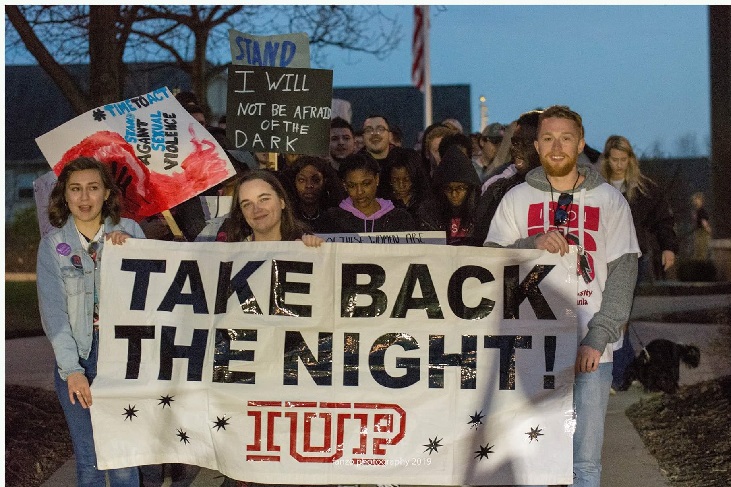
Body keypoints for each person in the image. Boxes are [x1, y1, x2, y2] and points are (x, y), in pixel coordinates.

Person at [485, 105, 640, 487]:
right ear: (537, 145)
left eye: (566, 138)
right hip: (527, 351)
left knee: (583, 462)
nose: (557, 147)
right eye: (549, 138)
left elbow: (623, 273)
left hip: (590, 347)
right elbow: (488, 263)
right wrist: (530, 243)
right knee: (530, 457)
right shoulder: (516, 199)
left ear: (581, 144)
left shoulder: (608, 201)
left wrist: (599, 335)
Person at [36, 157, 144, 486]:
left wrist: (132, 252)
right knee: (89, 458)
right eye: (76, 189)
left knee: (125, 458)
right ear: (64, 196)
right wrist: (72, 370)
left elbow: (151, 299)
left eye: (93, 188)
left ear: (107, 194)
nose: (84, 199)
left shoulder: (132, 233)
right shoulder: (53, 246)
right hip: (78, 356)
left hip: (124, 357)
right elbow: (54, 315)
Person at [599, 135, 678, 283]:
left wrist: (668, 248)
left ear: (630, 159)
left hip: (635, 258)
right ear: (607, 160)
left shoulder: (644, 190)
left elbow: (662, 220)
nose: (619, 165)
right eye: (615, 160)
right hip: (602, 259)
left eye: (623, 160)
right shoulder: (596, 188)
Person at [472, 109, 543, 245]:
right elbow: (484, 246)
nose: (514, 149)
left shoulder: (572, 189)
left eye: (526, 143)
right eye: (515, 142)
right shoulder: (499, 190)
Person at [323, 153, 417, 233]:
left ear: (377, 179)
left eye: (366, 184)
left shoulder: (399, 218)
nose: (359, 192)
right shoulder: (333, 219)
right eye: (352, 186)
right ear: (344, 185)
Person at [416, 145, 482, 245]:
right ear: (440, 190)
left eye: (460, 188)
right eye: (448, 188)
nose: (454, 194)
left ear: (471, 189)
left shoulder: (482, 212)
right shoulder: (428, 213)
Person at [360, 114, 426, 197]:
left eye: (380, 129)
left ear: (390, 135)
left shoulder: (408, 160)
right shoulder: (355, 165)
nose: (375, 134)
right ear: (363, 136)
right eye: (369, 130)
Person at [285, 156, 343, 233]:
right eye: (302, 180)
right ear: (294, 182)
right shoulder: (286, 217)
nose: (309, 185)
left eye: (316, 180)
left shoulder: (336, 217)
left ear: (325, 182)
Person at [690, 191, 712, 260]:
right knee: (701, 252)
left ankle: (698, 266)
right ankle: (700, 267)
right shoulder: (701, 210)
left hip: (699, 232)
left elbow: (700, 221)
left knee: (699, 251)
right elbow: (704, 222)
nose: (695, 201)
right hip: (702, 232)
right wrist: (708, 229)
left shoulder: (698, 211)